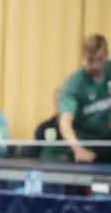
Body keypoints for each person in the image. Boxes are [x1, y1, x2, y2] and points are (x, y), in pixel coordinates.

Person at [58, 34, 111, 163]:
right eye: (90, 60)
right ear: (84, 57)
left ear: (106, 56)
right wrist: (77, 149)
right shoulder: (75, 83)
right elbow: (65, 122)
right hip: (86, 148)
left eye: (100, 59)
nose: (96, 65)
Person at [32, 87, 71, 162]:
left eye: (64, 101)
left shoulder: (81, 127)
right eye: (58, 101)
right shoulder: (44, 127)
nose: (62, 105)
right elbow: (34, 155)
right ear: (54, 102)